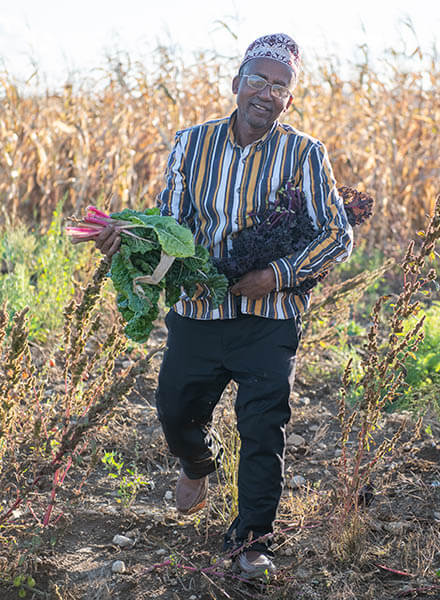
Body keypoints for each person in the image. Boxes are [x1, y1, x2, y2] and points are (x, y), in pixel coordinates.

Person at [85, 33, 353, 577]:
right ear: (237, 84)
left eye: (279, 86)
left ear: (289, 101)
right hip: (200, 309)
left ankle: (251, 542)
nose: (266, 92)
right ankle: (197, 462)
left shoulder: (305, 154)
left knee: (264, 427)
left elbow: (336, 236)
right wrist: (126, 236)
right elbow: (171, 224)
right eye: (257, 80)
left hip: (268, 319)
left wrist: (274, 275)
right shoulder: (191, 144)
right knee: (174, 409)